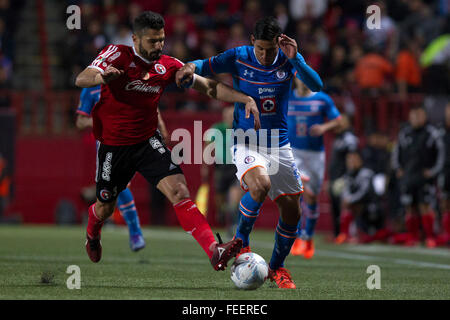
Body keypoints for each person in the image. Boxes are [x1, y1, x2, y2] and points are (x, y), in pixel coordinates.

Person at [75, 11, 262, 271]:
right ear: (135, 39)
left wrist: (244, 99)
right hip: (113, 146)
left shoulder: (168, 65)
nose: (158, 46)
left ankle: (213, 250)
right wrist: (101, 77)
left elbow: (208, 87)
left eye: (161, 40)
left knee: (179, 191)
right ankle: (93, 231)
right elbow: (81, 77)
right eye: (152, 41)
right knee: (105, 206)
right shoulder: (116, 54)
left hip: (147, 141)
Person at [176, 16, 323, 288]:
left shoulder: (287, 60)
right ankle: (240, 244)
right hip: (245, 140)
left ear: (280, 43)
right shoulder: (238, 56)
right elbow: (204, 65)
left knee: (293, 212)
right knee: (260, 185)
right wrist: (188, 67)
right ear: (252, 41)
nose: (266, 55)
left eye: (271, 49)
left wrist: (297, 59)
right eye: (261, 49)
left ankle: (277, 268)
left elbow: (317, 86)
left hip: (278, 144)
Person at [76, 85, 150, 252]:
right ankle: (133, 232)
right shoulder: (91, 88)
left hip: (132, 141)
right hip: (106, 145)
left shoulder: (128, 81)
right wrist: (102, 119)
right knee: (115, 189)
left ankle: (134, 232)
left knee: (122, 186)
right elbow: (80, 121)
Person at [287, 77, 341, 259]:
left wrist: (324, 127)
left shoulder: (322, 99)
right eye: (299, 78)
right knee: (300, 192)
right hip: (294, 152)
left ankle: (308, 237)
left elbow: (338, 120)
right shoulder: (287, 97)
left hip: (315, 154)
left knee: (313, 196)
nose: (302, 82)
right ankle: (295, 236)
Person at [391, 106, 445, 248]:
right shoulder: (404, 133)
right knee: (409, 207)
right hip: (408, 177)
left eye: (419, 116)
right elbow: (396, 152)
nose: (415, 118)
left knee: (425, 207)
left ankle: (429, 237)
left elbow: (441, 154)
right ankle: (412, 237)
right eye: (413, 116)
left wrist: (433, 171)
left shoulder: (432, 133)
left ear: (424, 117)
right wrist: (398, 169)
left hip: (424, 177)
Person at [200, 106, 243, 238]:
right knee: (220, 200)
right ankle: (222, 212)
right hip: (221, 167)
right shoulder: (216, 129)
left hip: (237, 168)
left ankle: (233, 225)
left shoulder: (241, 129)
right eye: (228, 116)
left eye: (232, 115)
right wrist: (205, 166)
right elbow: (207, 147)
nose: (230, 118)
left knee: (234, 200)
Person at [338, 150, 386, 243]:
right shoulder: (348, 174)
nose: (351, 162)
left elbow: (364, 193)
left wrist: (350, 200)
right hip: (357, 205)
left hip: (370, 206)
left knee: (355, 205)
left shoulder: (366, 173)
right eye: (349, 159)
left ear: (360, 160)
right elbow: (345, 190)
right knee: (345, 205)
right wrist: (347, 199)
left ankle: (362, 233)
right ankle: (345, 234)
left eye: (354, 159)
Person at [328, 114, 359, 242]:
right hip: (335, 177)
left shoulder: (349, 138)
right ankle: (337, 233)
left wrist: (349, 176)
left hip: (343, 177)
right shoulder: (338, 138)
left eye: (343, 121)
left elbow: (352, 157)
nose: (339, 123)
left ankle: (346, 233)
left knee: (344, 206)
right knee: (335, 207)